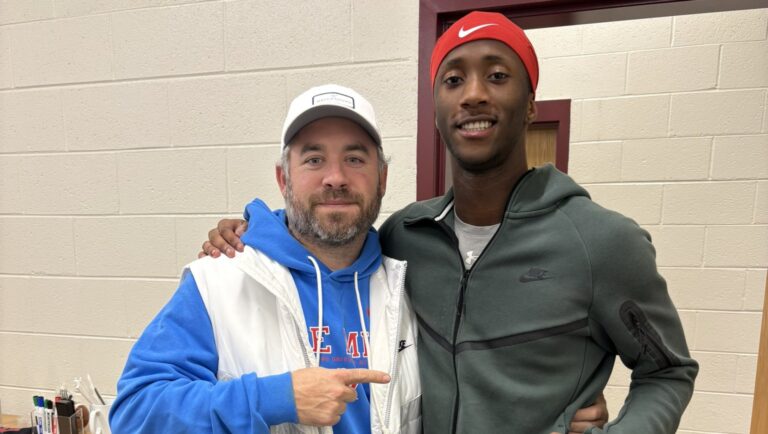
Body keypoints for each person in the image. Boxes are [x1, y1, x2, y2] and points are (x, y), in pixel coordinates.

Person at [203, 11, 699, 434]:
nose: (474, 95)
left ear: (530, 105)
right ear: (436, 109)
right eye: (454, 80)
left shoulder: (602, 242)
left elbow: (668, 371)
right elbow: (325, 235)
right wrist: (255, 231)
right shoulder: (404, 238)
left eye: (498, 76)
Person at [109, 84, 422, 434]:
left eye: (354, 159)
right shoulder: (219, 281)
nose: (335, 178)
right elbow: (135, 412)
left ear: (382, 179)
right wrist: (273, 398)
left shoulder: (410, 286)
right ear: (283, 179)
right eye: (314, 159)